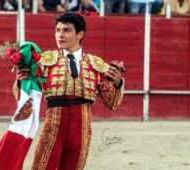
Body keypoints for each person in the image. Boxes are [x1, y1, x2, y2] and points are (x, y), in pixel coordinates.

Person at [15, 12, 125, 170]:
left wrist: (118, 84)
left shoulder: (96, 64)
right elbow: (24, 96)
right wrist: (20, 81)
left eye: (66, 30)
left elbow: (111, 104)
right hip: (53, 128)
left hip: (82, 130)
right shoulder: (44, 61)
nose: (60, 35)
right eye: (57, 30)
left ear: (80, 34)